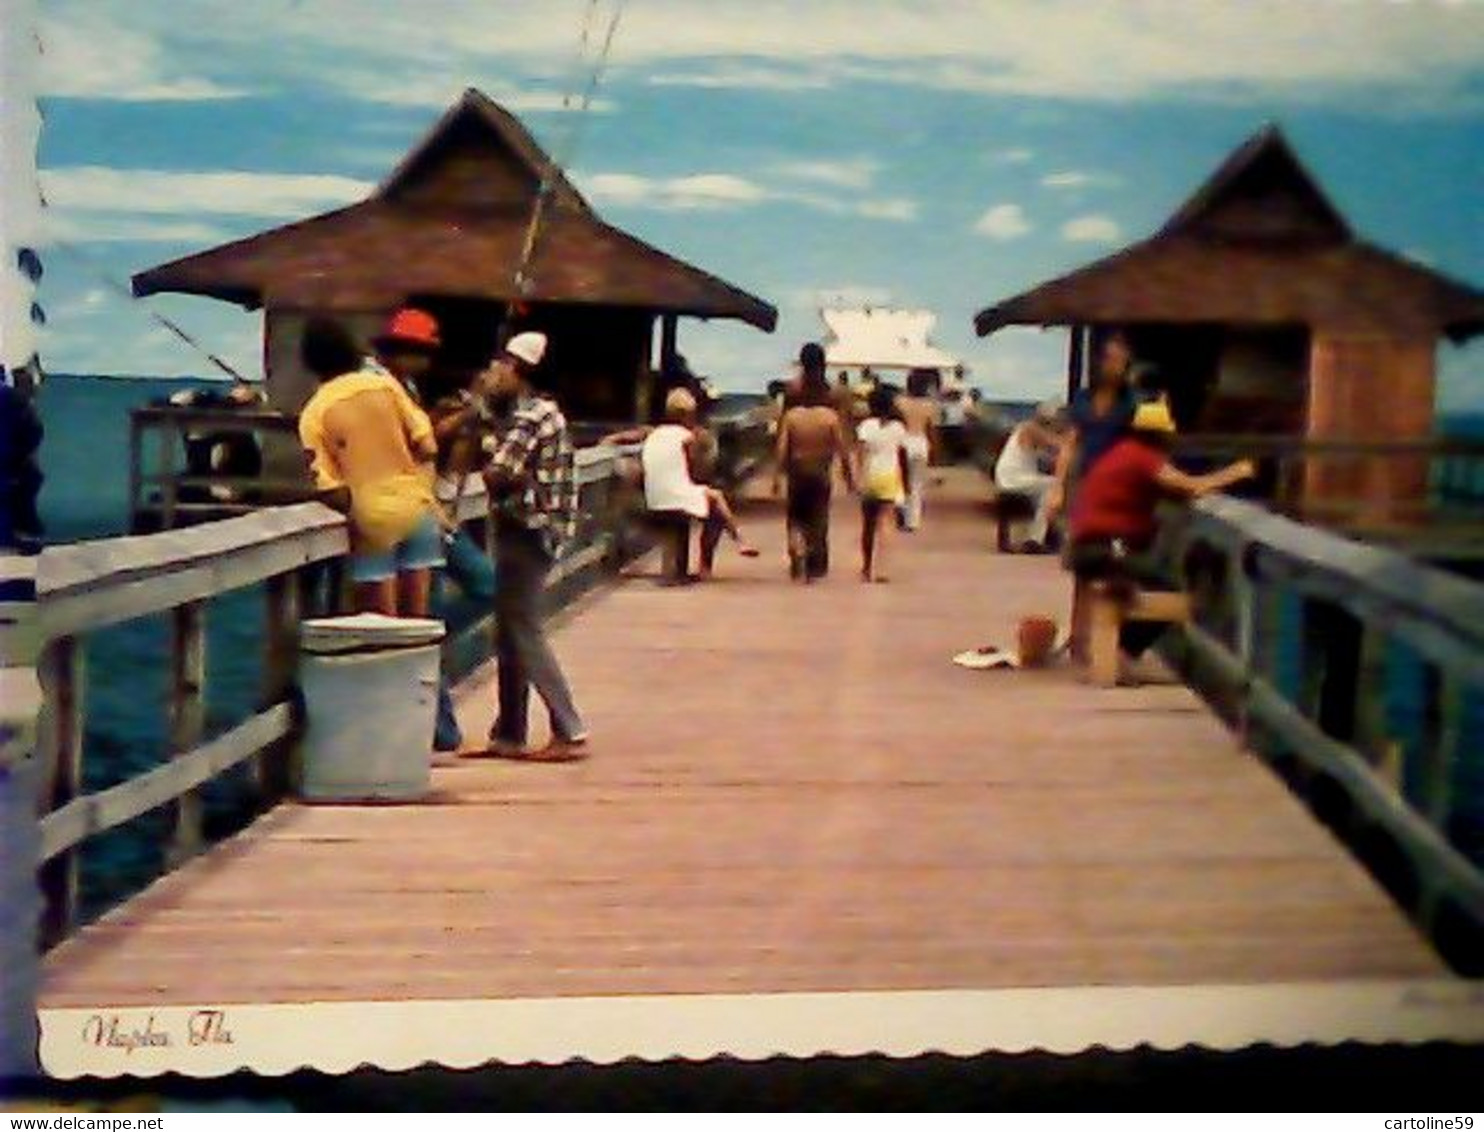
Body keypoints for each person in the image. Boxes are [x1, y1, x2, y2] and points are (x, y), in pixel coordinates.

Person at [376, 308, 498, 756]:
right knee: (426, 619)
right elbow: (414, 444)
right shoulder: (384, 390)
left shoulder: (408, 391)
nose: (427, 360)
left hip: (432, 513)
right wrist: (461, 418)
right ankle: (440, 730)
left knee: (484, 588)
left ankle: (428, 649)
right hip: (407, 514)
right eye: (420, 351)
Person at [1068, 397, 1254, 673]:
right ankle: (1123, 652)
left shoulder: (1121, 451)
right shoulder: (1143, 457)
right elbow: (1192, 486)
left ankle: (1120, 650)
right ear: (1159, 434)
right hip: (1106, 548)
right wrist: (1237, 472)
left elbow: (1155, 488)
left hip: (1088, 546)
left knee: (1157, 582)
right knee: (1170, 592)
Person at [476, 331, 588, 761]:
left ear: (518, 370)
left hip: (528, 530)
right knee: (508, 629)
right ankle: (509, 731)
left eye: (500, 365)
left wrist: (488, 451)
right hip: (532, 529)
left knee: (522, 627)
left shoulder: (531, 417)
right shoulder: (539, 415)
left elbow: (497, 473)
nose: (492, 372)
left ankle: (568, 726)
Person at [297, 318, 441, 617]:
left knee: (384, 628)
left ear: (310, 363)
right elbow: (428, 445)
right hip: (418, 508)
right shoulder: (386, 386)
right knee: (419, 623)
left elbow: (328, 487)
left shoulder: (314, 412)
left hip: (372, 517)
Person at [599, 387, 761, 579]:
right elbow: (698, 470)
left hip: (653, 499)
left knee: (706, 501)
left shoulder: (654, 432)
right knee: (716, 506)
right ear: (688, 415)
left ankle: (686, 567)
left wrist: (608, 441)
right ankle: (730, 548)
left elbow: (629, 436)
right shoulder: (690, 437)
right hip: (675, 497)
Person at [773, 343, 856, 582]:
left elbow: (782, 438)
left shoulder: (792, 393)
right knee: (819, 516)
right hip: (821, 464)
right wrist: (849, 475)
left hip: (796, 463)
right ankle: (814, 560)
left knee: (795, 516)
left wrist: (777, 475)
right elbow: (843, 439)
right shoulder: (834, 395)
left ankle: (797, 550)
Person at [1048, 329, 1142, 523]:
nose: (1113, 366)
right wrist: (1057, 488)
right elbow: (1069, 444)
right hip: (1084, 479)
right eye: (1110, 359)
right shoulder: (1083, 398)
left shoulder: (1131, 403)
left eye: (1120, 361)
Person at [994, 400, 1066, 553]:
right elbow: (1058, 446)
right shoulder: (1031, 428)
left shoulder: (1027, 427)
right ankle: (1035, 539)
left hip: (1015, 476)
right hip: (1013, 477)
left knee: (1045, 490)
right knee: (1054, 486)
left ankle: (1044, 534)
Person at [857, 385, 911, 583]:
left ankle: (866, 567)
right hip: (889, 476)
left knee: (867, 526)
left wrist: (858, 479)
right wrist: (905, 483)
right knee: (885, 525)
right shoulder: (898, 428)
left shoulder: (866, 426)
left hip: (871, 475)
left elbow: (861, 454)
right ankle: (881, 569)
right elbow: (902, 455)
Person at [894, 369, 939, 532]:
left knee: (900, 479)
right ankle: (912, 522)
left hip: (904, 440)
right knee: (916, 484)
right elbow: (932, 430)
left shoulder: (899, 402)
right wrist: (934, 450)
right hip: (921, 442)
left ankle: (899, 504)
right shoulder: (929, 405)